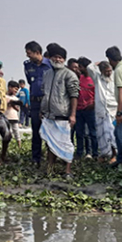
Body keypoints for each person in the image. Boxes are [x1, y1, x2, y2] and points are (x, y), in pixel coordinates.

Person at [39, 43, 79, 177]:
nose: (58, 60)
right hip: (49, 115)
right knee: (50, 143)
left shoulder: (70, 75)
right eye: (55, 57)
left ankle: (67, 171)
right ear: (50, 58)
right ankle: (50, 168)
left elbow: (74, 95)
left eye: (61, 58)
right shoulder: (47, 74)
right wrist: (42, 109)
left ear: (64, 59)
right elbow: (44, 93)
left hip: (63, 115)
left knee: (65, 143)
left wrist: (72, 115)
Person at [86, 60, 117, 162]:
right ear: (101, 71)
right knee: (102, 134)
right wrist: (97, 63)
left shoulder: (114, 78)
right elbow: (90, 68)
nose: (109, 73)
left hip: (112, 110)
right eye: (106, 71)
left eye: (110, 70)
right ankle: (104, 155)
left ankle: (114, 155)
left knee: (112, 135)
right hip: (101, 111)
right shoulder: (97, 78)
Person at [74, 57, 98, 160]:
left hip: (90, 110)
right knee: (79, 132)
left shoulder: (94, 79)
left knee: (93, 133)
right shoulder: (79, 79)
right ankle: (79, 153)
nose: (79, 69)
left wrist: (94, 104)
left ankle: (95, 153)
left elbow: (98, 94)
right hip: (79, 109)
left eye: (80, 67)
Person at [5, 81, 23, 150]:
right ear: (9, 87)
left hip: (14, 117)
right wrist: (9, 102)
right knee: (7, 133)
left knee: (16, 132)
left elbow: (17, 109)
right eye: (15, 89)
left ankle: (19, 147)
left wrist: (12, 104)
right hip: (6, 117)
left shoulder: (16, 98)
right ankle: (6, 147)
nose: (16, 91)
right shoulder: (5, 97)